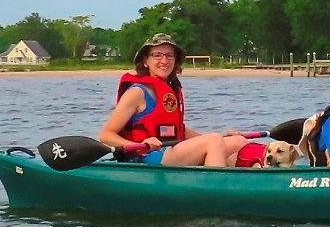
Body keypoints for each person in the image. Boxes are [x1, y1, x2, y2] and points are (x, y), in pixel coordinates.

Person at [99, 33, 249, 167]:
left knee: (238, 141)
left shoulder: (169, 90)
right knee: (214, 140)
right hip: (147, 156)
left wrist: (219, 141)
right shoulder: (137, 92)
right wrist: (139, 145)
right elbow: (106, 135)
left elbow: (178, 130)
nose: (164, 61)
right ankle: (214, 189)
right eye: (157, 55)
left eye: (169, 56)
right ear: (145, 61)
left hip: (171, 149)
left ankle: (234, 179)